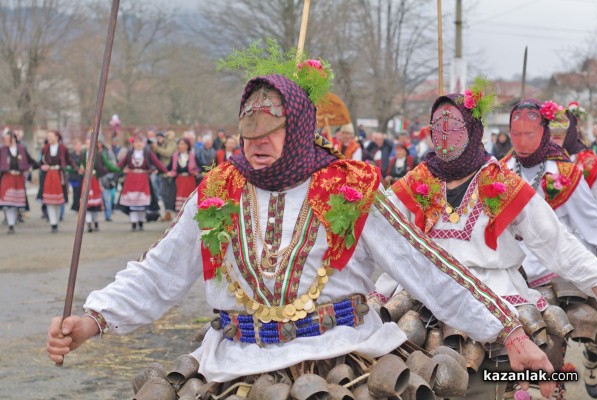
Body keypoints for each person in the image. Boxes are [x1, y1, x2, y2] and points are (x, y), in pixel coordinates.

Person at [47, 70, 555, 398]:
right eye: (249, 132)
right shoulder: (218, 190)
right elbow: (161, 271)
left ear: (301, 127)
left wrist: (506, 330)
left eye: (272, 130)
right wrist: (95, 318)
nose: (258, 143)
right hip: (233, 366)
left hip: (342, 364)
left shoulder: (349, 187)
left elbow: (425, 267)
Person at [377, 85, 597, 399]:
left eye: (453, 126)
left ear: (472, 128)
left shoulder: (499, 180)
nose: (444, 135)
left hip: (495, 308)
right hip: (424, 306)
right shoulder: (419, 178)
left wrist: (595, 280)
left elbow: (555, 241)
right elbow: (376, 226)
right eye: (436, 127)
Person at [503, 99, 597, 398]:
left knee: (567, 332)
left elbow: (592, 224)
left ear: (543, 132)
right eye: (515, 135)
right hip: (513, 272)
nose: (521, 142)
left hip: (559, 268)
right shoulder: (498, 171)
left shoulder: (566, 173)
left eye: (529, 134)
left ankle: (587, 361)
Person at [117, 135, 168, 231]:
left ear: (143, 143)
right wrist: (112, 169)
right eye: (136, 142)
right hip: (131, 181)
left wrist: (166, 171)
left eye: (140, 142)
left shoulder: (147, 153)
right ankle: (133, 223)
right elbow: (120, 164)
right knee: (132, 204)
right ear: (133, 144)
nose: (138, 144)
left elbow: (157, 163)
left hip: (143, 180)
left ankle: (140, 222)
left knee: (141, 204)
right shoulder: (130, 153)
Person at [549, 109, 597, 204]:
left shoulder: (592, 162)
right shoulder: (540, 161)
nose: (557, 133)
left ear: (571, 131)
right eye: (552, 129)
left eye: (563, 130)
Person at [76, 139, 121, 232]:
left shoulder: (99, 155)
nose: (89, 145)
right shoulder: (82, 155)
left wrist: (119, 169)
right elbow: (76, 166)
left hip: (96, 181)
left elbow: (108, 165)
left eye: (91, 143)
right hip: (85, 182)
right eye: (87, 143)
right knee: (86, 204)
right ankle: (88, 224)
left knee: (95, 204)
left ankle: (95, 221)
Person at [37, 131, 79, 233]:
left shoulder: (63, 148)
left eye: (50, 136)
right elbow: (40, 162)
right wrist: (41, 166)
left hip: (59, 176)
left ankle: (56, 219)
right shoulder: (45, 148)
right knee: (49, 201)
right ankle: (53, 223)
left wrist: (77, 169)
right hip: (48, 175)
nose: (49, 138)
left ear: (56, 137)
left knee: (59, 201)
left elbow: (69, 160)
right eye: (48, 136)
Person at [0, 130, 39, 233]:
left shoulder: (21, 149)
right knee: (8, 203)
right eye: (4, 139)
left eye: (7, 139)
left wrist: (37, 166)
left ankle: (13, 221)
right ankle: (11, 225)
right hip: (7, 177)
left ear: (13, 139)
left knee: (16, 203)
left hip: (19, 178)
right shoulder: (2, 150)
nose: (5, 141)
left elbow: (30, 160)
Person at [167, 138, 200, 212]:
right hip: (179, 181)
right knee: (179, 202)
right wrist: (165, 172)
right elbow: (169, 167)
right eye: (179, 144)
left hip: (190, 180)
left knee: (190, 201)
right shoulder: (175, 156)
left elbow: (200, 166)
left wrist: (197, 172)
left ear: (187, 146)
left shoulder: (193, 156)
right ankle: (179, 220)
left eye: (182, 144)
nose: (180, 146)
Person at [152, 131, 177, 221]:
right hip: (161, 172)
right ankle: (168, 213)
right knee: (162, 193)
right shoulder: (161, 144)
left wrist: (157, 148)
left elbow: (168, 153)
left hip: (169, 172)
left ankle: (169, 213)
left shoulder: (172, 143)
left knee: (168, 194)